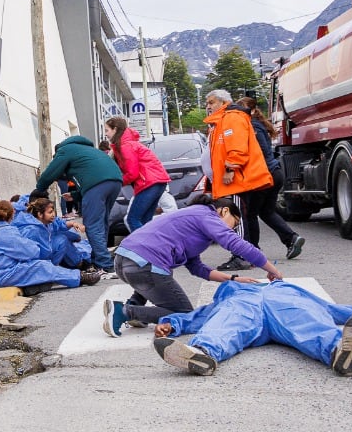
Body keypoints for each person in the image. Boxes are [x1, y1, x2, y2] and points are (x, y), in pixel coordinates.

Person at [151, 279, 352, 377]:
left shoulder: (283, 288)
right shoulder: (230, 296)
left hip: (283, 303)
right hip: (249, 308)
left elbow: (339, 311)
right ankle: (200, 354)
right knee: (224, 325)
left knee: (310, 323)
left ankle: (341, 352)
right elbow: (196, 316)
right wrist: (170, 324)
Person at [102, 197, 284, 337]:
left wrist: (234, 279)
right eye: (234, 224)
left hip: (124, 261)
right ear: (224, 211)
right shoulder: (207, 215)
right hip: (143, 265)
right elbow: (237, 244)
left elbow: (197, 267)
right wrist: (271, 269)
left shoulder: (193, 220)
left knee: (160, 275)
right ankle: (125, 312)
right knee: (184, 313)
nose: (233, 230)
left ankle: (135, 305)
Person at [202, 89, 273, 271]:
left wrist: (230, 169)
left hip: (234, 180)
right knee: (239, 217)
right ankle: (245, 254)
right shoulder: (224, 120)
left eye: (211, 102)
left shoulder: (231, 117)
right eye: (207, 103)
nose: (208, 106)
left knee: (235, 217)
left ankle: (241, 256)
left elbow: (237, 147)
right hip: (232, 180)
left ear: (223, 102)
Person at [36, 135, 124, 275]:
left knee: (92, 225)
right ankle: (98, 260)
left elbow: (51, 172)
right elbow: (85, 177)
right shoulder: (87, 150)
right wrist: (75, 195)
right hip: (115, 181)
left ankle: (105, 265)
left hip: (97, 184)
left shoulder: (65, 150)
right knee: (101, 222)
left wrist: (39, 188)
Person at [235, 96, 306, 260]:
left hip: (263, 175)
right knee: (266, 212)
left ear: (251, 111)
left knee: (250, 213)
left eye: (242, 111)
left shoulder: (252, 127)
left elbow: (255, 153)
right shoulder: (259, 125)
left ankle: (253, 249)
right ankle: (291, 239)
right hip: (274, 172)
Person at [0, 217, 102, 293]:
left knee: (41, 265)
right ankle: (79, 277)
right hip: (0, 274)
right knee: (42, 266)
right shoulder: (7, 232)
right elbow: (31, 252)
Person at [104, 117, 170, 232]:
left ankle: (144, 248)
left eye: (107, 130)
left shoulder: (126, 146)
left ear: (115, 129)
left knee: (132, 219)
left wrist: (118, 183)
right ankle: (153, 246)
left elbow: (132, 173)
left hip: (149, 183)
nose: (106, 134)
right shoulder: (129, 144)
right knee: (145, 221)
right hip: (157, 182)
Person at [12, 194, 92, 269]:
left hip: (47, 252)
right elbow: (33, 253)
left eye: (53, 211)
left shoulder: (46, 221)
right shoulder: (32, 230)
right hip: (39, 261)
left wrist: (74, 223)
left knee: (70, 236)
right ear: (40, 214)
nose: (53, 215)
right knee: (62, 240)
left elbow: (59, 223)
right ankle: (56, 268)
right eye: (50, 212)